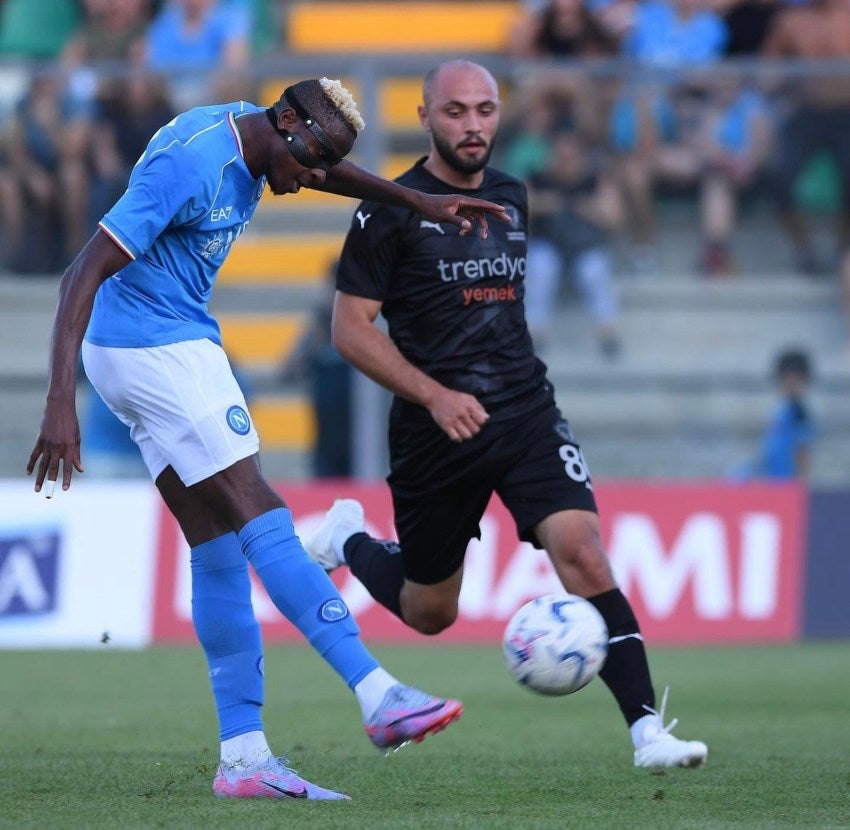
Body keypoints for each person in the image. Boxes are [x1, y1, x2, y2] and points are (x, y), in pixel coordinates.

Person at [27, 77, 508, 800]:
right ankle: (378, 693)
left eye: (320, 165)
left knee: (217, 543)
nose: (309, 179)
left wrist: (417, 201)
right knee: (262, 509)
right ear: (284, 120)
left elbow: (329, 167)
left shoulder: (266, 142)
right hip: (156, 346)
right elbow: (81, 272)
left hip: (142, 345)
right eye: (307, 161)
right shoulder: (193, 161)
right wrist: (59, 403)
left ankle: (245, 760)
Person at [305, 60, 708, 769]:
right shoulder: (387, 209)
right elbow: (350, 330)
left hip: (524, 411)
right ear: (426, 116)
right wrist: (435, 394)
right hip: (435, 430)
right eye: (455, 111)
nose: (473, 125)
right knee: (431, 612)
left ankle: (648, 733)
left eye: (485, 110)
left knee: (583, 551)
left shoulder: (512, 194)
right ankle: (348, 539)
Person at [732, 348, 816, 480]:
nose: (790, 386)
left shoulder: (799, 412)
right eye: (787, 381)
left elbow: (802, 450)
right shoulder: (781, 409)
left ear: (804, 382)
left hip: (783, 479)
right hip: (769, 477)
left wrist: (800, 481)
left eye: (795, 382)